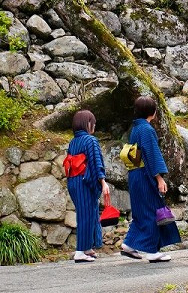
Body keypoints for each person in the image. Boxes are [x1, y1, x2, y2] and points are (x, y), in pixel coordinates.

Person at [120, 96, 181, 263]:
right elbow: (151, 156)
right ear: (153, 112)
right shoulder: (146, 130)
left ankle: (129, 244)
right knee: (152, 211)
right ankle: (152, 251)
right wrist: (160, 179)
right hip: (145, 174)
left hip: (135, 174)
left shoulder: (136, 129)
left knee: (141, 211)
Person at [65, 110, 108, 263]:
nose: (94, 126)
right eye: (93, 123)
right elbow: (96, 162)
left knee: (87, 213)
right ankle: (79, 251)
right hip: (85, 182)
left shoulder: (73, 142)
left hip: (73, 182)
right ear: (88, 123)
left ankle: (87, 248)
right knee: (86, 215)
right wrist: (103, 181)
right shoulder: (90, 140)